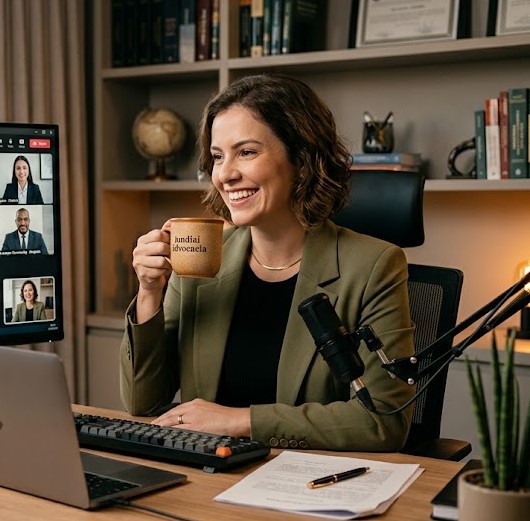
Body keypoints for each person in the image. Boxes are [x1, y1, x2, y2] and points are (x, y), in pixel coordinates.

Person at [123, 74, 415, 452]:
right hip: (209, 477)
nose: (225, 174)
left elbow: (383, 420)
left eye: (246, 152)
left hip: (307, 486)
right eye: (216, 156)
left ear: (301, 157)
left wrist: (239, 421)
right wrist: (149, 291)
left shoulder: (375, 266)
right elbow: (142, 403)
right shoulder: (200, 257)